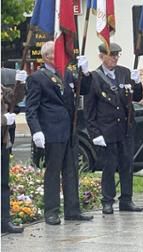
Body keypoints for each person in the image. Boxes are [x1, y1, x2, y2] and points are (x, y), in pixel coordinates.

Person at [25, 41, 93, 225]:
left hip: (70, 130)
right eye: (58, 54)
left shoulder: (67, 74)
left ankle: (72, 210)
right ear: (48, 57)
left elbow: (84, 90)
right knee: (53, 173)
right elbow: (31, 108)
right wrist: (36, 131)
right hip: (51, 130)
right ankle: (51, 212)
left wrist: (85, 73)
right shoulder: (37, 78)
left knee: (71, 172)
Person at [84, 42, 143, 214]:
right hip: (106, 130)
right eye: (112, 55)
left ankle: (126, 199)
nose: (115, 58)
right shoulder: (94, 78)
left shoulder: (124, 73)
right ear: (102, 56)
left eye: (117, 55)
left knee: (127, 165)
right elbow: (89, 110)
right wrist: (95, 133)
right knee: (109, 167)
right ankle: (107, 201)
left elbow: (137, 97)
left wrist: (138, 82)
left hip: (125, 128)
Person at [1, 70, 26, 233]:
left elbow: (14, 99)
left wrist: (20, 84)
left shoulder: (1, 87)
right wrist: (3, 120)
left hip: (2, 143)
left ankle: (4, 220)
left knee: (3, 184)